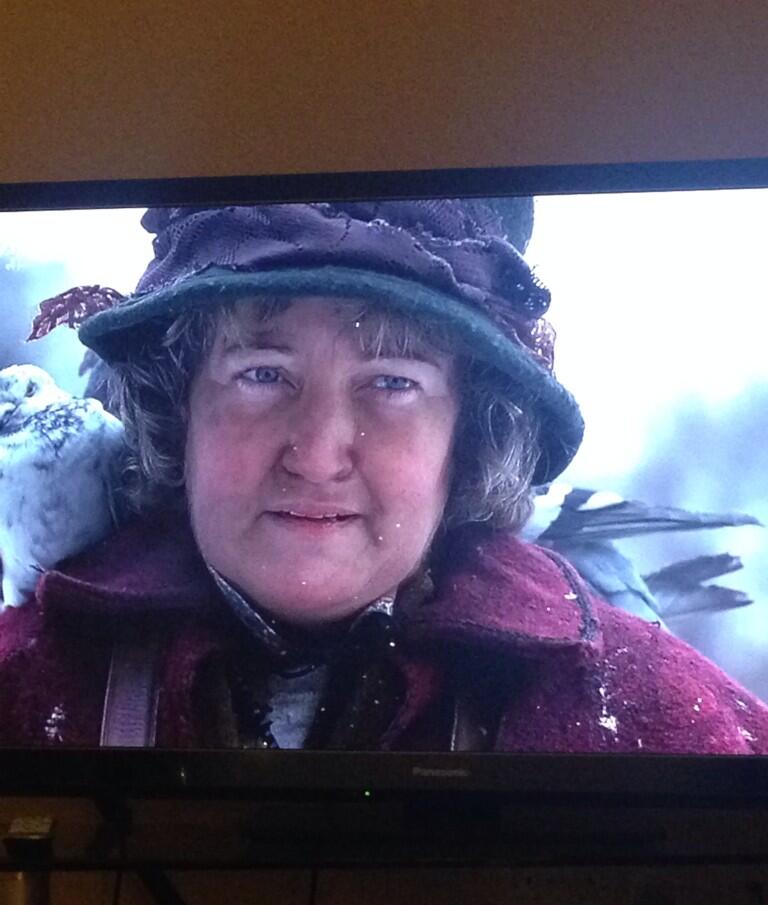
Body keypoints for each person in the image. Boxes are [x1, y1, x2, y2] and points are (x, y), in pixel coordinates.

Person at [1, 198, 767, 753]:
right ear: (178, 411)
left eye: (393, 383)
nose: (317, 452)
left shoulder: (665, 729)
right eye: (262, 373)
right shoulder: (20, 693)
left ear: (470, 437)